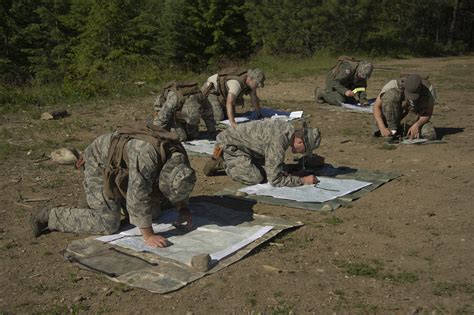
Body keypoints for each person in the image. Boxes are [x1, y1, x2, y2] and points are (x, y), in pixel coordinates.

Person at [30, 123, 197, 248]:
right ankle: (49, 215)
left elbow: (180, 185)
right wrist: (149, 236)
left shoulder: (179, 156)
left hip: (125, 166)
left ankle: (100, 200)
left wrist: (183, 208)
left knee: (154, 213)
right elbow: (137, 196)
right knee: (108, 223)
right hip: (100, 163)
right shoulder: (147, 158)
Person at [203, 119, 322, 187]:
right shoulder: (279, 141)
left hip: (248, 148)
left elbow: (273, 162)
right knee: (255, 177)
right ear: (300, 142)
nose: (303, 153)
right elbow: (275, 180)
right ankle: (225, 163)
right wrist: (302, 181)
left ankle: (236, 161)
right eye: (305, 150)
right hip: (230, 145)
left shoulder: (287, 130)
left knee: (275, 169)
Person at [372, 74, 436, 140]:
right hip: (394, 115)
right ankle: (392, 130)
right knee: (390, 97)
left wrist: (417, 125)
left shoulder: (429, 90)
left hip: (414, 117)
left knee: (429, 134)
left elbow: (428, 113)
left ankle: (404, 130)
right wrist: (382, 127)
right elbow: (376, 107)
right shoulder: (393, 85)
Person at [153, 80, 217, 141]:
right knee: (180, 138)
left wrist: (212, 132)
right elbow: (160, 120)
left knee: (194, 135)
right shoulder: (174, 100)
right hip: (170, 115)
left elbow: (209, 116)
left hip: (181, 115)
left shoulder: (201, 98)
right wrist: (156, 134)